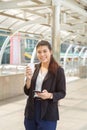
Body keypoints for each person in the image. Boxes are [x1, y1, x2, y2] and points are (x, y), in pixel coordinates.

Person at [24, 40, 66, 130]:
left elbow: (62, 93)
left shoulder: (58, 70)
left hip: (48, 110)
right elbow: (27, 92)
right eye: (39, 52)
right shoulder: (34, 68)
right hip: (31, 109)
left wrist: (49, 95)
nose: (42, 54)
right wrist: (28, 78)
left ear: (50, 52)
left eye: (44, 51)